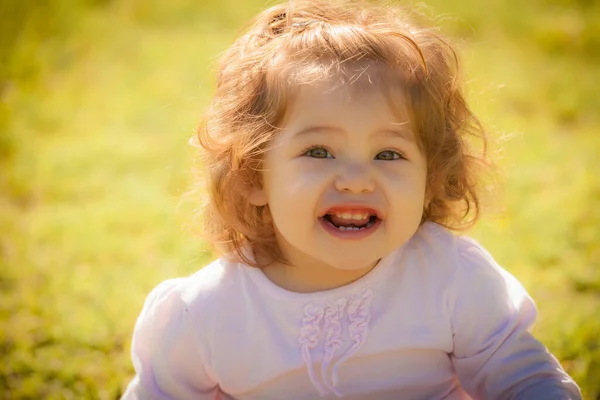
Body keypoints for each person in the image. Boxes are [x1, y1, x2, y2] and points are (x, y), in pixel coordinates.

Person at [122, 0, 582, 398]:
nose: (358, 180)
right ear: (253, 176)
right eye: (318, 151)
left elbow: (526, 381)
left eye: (389, 153)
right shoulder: (205, 314)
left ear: (430, 179)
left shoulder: (449, 277)